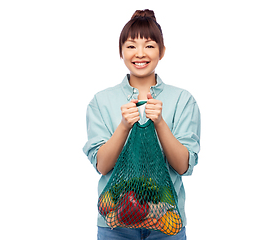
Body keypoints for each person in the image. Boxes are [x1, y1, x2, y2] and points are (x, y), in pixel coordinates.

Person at [83, 9, 200, 240]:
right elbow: (103, 166)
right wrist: (124, 127)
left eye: (149, 45)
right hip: (115, 223)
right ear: (121, 52)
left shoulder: (183, 100)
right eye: (130, 46)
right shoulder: (101, 101)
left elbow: (183, 167)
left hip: (166, 223)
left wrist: (160, 123)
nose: (140, 54)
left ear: (162, 51)